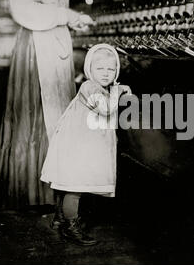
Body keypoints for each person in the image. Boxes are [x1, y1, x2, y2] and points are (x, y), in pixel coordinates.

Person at [0, 0, 93, 209]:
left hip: (49, 44)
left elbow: (46, 7)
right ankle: (35, 193)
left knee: (51, 116)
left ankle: (50, 191)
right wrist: (68, 16)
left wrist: (72, 20)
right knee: (41, 115)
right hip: (39, 49)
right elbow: (24, 9)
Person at [40, 44, 132, 246]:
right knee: (75, 187)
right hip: (78, 147)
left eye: (111, 69)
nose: (106, 74)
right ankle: (70, 228)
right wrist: (119, 91)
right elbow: (106, 109)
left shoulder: (99, 87)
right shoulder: (89, 86)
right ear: (90, 69)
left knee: (72, 185)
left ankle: (60, 219)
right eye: (100, 69)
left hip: (82, 145)